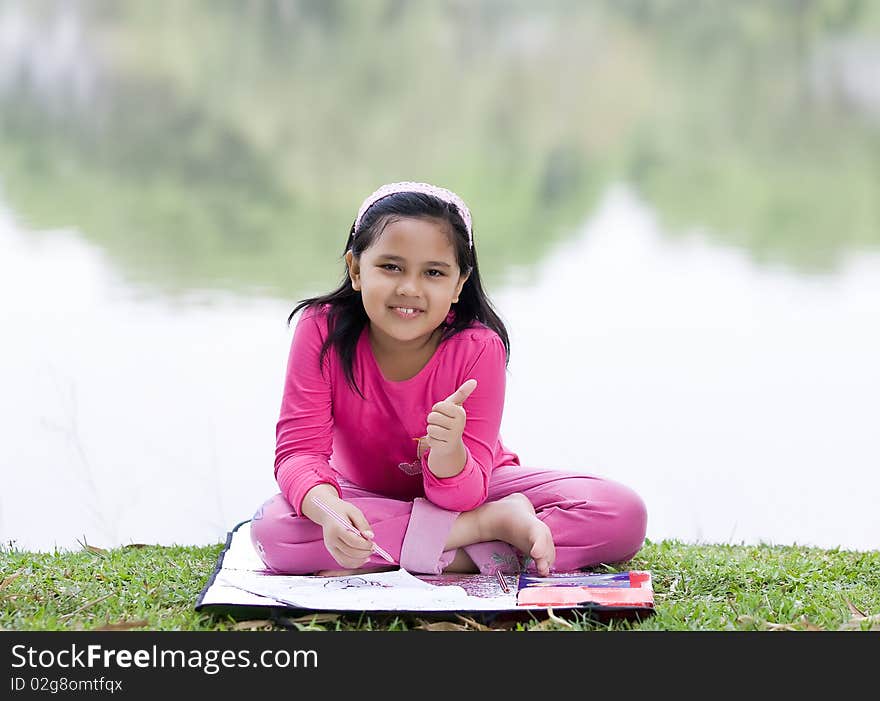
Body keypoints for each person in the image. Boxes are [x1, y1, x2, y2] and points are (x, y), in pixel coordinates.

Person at [250, 181, 647, 577]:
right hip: (364, 495)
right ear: (356, 269)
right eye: (390, 267)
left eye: (434, 273)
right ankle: (485, 534)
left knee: (620, 512)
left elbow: (468, 491)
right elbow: (298, 453)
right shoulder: (321, 329)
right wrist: (330, 510)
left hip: (476, 488)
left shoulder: (478, 347)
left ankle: (405, 555)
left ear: (458, 284)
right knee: (275, 531)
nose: (409, 288)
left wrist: (448, 453)